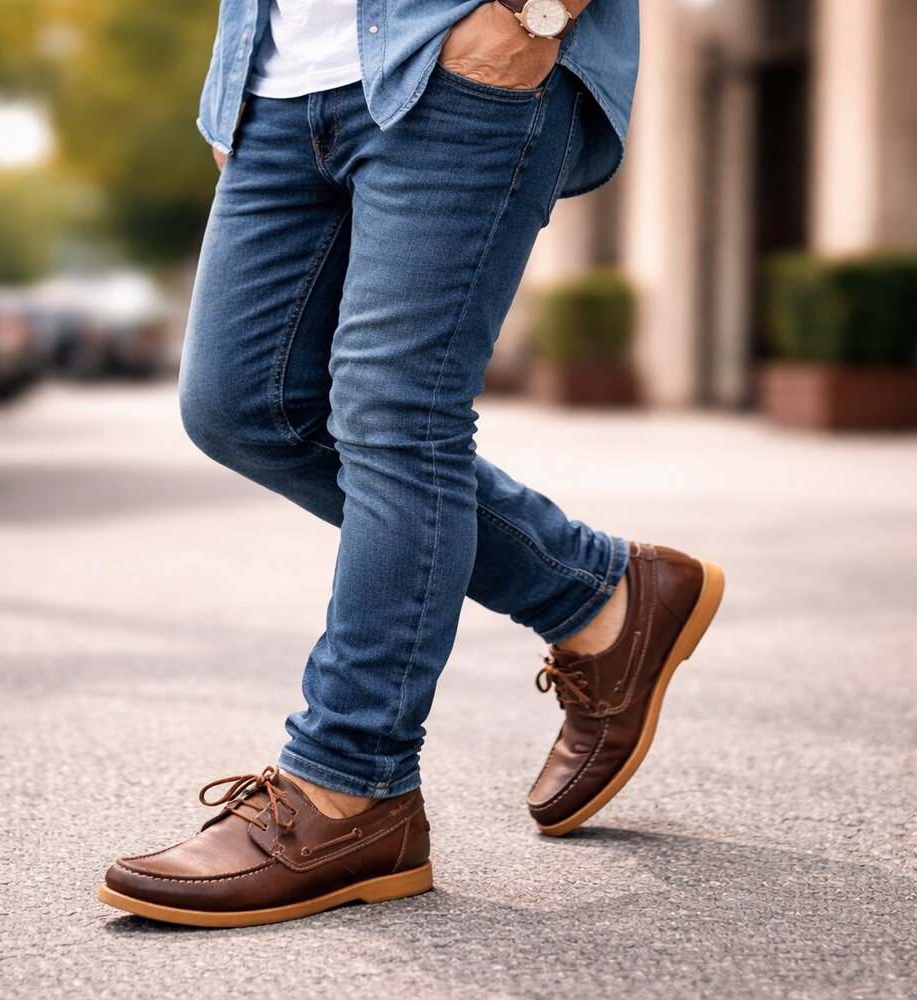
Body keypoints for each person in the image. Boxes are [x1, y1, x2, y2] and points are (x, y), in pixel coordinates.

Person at [97, 0, 725, 928]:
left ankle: (350, 787)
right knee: (241, 410)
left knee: (397, 416)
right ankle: (601, 595)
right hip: (278, 84)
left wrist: (533, 16)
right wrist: (238, 76)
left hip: (457, 58)